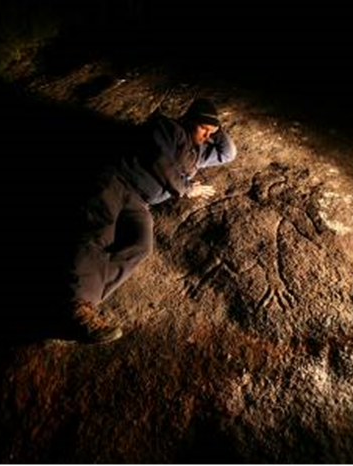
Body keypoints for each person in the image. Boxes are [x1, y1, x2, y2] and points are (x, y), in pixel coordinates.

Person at [69, 98, 237, 343]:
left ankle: (84, 303)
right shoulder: (166, 127)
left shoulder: (198, 153)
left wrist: (217, 127)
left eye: (211, 133)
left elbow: (228, 152)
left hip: (139, 202)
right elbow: (159, 160)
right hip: (118, 182)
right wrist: (187, 188)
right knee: (99, 232)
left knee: (141, 245)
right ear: (189, 120)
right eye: (203, 128)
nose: (207, 136)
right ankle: (77, 307)